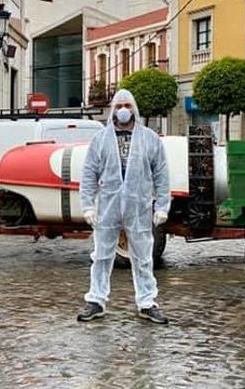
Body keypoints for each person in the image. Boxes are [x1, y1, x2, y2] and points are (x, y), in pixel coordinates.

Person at [76, 89, 171, 325]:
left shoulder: (149, 138)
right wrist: (87, 205)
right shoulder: (101, 139)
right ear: (112, 110)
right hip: (108, 205)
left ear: (134, 108)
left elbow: (161, 173)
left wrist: (162, 205)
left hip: (139, 206)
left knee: (143, 256)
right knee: (101, 255)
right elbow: (89, 173)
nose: (123, 110)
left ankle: (147, 302)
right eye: (119, 106)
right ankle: (96, 300)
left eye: (127, 105)